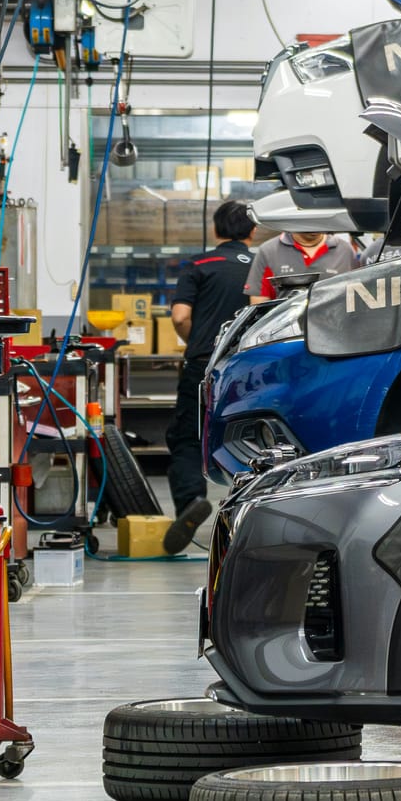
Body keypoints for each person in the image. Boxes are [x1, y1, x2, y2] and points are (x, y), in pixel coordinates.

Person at [164, 199, 257, 553]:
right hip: (248, 365)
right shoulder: (260, 263)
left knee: (187, 436)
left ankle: (191, 499)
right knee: (250, 436)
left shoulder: (198, 264)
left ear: (216, 230)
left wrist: (198, 344)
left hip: (203, 363)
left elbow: (179, 317)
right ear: (252, 230)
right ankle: (247, 512)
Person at [246, 229, 358, 303]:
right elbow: (259, 299)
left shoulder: (345, 250)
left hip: (332, 330)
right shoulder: (269, 250)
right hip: (285, 331)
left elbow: (355, 296)